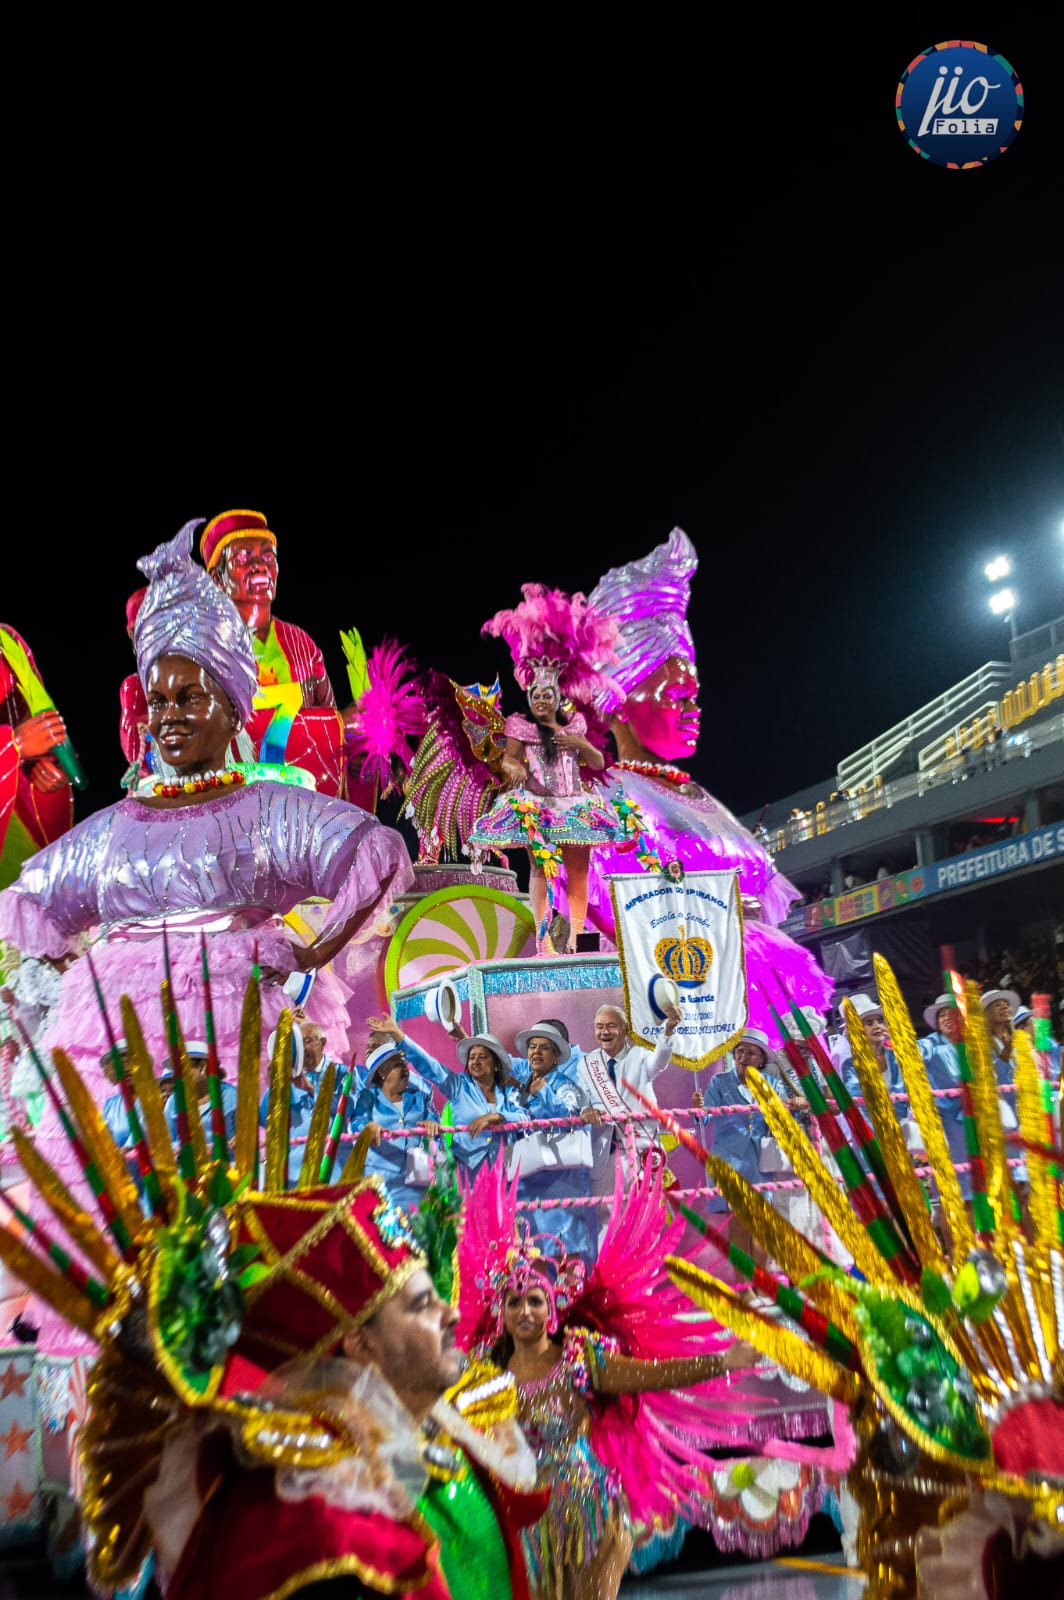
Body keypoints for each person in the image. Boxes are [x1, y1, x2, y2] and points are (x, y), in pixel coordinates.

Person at [0, 522, 411, 1311]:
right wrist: (69, 985)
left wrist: (312, 952)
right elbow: (28, 901)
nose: (170, 715)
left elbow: (373, 855)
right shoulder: (115, 830)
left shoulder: (266, 813)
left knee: (249, 1246)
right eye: (158, 699)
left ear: (231, 709)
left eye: (190, 696)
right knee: (129, 1251)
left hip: (241, 1045)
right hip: (119, 1056)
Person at [458, 1154, 753, 1600]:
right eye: (514, 1302)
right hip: (519, 1519)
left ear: (552, 1309)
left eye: (535, 1301)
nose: (524, 1312)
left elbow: (651, 1376)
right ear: (500, 1312)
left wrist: (721, 1362)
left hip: (585, 1514)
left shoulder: (580, 1357)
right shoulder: (485, 1369)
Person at [581, 529, 833, 1036]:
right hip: (687, 1012)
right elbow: (618, 916)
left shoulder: (697, 796)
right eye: (677, 696)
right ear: (621, 703)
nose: (693, 709)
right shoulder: (609, 799)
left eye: (694, 695)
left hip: (766, 999)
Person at [469, 585, 630, 954]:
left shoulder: (575, 728)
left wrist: (582, 746)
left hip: (574, 805)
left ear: (557, 698)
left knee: (577, 872)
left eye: (547, 695)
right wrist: (514, 769)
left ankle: (573, 936)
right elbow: (508, 758)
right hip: (537, 806)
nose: (541, 699)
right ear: (530, 698)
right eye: (536, 695)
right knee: (540, 869)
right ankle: (545, 940)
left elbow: (598, 762)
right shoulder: (520, 727)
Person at [200, 507, 347, 795]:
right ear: (217, 580)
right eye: (243, 558)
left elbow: (330, 723)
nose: (260, 566)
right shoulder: (202, 648)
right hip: (226, 808)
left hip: (297, 809)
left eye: (268, 557)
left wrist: (357, 729)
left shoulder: (302, 644)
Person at [368, 1016, 529, 1178]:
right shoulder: (458, 1085)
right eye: (472, 1057)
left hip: (503, 1172)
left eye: (483, 1057)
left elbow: (524, 1118)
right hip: (466, 1173)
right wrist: (398, 1035)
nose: (476, 1061)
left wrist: (497, 1116)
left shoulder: (507, 1091)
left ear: (495, 1065)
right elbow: (430, 1065)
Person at [576, 1003, 677, 1229]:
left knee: (645, 1213)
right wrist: (585, 1111)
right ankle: (609, 1266)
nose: (604, 1032)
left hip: (640, 1148)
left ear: (624, 1029)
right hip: (605, 1152)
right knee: (606, 1217)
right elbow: (581, 1099)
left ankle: (647, 1265)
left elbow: (659, 1061)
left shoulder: (640, 1056)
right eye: (599, 1027)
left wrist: (668, 1031)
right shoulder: (586, 1064)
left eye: (611, 1026)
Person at [510, 1021, 596, 1265]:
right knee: (532, 1249)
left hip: (561, 1180)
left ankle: (570, 1302)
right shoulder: (521, 1085)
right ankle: (542, 1301)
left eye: (544, 1048)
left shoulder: (566, 1084)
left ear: (557, 1056)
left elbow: (572, 1117)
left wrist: (545, 1092)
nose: (536, 1052)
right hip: (526, 1181)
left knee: (565, 1252)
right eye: (532, 1047)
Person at [0, 624, 74, 889]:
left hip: (23, 843)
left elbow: (35, 723)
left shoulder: (8, 642)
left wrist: (44, 771)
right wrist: (14, 743)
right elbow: (21, 740)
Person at [350, 1042, 440, 1209]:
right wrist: (368, 1126)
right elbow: (357, 1123)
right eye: (398, 1064)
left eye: (405, 1063)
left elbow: (438, 1129)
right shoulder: (368, 1097)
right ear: (383, 1073)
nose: (405, 1068)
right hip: (380, 1182)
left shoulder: (420, 1098)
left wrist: (433, 1127)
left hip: (417, 1182)